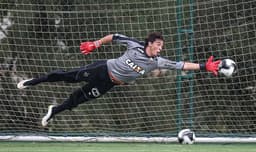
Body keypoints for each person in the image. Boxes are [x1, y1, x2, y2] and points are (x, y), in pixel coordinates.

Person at [17, 32, 221, 127]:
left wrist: (204, 66)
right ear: (149, 43)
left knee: (77, 100)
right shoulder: (134, 45)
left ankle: (54, 111)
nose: (160, 48)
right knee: (67, 77)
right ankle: (32, 81)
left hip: (109, 84)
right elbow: (114, 36)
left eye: (162, 46)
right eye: (158, 44)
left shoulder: (157, 62)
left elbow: (181, 65)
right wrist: (95, 44)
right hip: (101, 69)